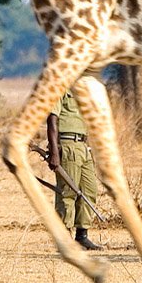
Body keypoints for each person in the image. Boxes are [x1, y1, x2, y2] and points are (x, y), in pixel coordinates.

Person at [47, 89, 103, 251]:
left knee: (89, 190)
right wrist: (54, 152)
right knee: (68, 191)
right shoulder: (60, 86)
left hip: (83, 146)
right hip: (67, 144)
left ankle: (82, 236)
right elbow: (51, 119)